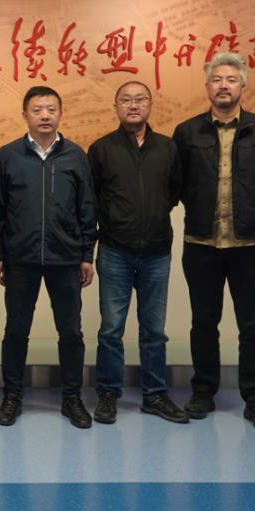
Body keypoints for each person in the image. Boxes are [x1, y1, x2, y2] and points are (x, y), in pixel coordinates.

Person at [173, 51, 255, 433]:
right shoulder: (187, 132)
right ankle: (203, 391)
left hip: (250, 246)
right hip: (201, 242)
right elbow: (178, 182)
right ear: (207, 86)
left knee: (253, 326)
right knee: (203, 323)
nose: (224, 86)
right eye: (217, 80)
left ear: (243, 85)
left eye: (231, 79)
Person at [0, 86, 97, 429]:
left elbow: (87, 208)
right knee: (15, 331)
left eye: (51, 109)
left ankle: (72, 399)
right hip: (20, 259)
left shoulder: (76, 156)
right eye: (37, 110)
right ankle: (12, 397)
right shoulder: (8, 155)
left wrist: (86, 254)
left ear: (60, 113)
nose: (45, 116)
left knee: (71, 333)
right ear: (25, 115)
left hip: (65, 259)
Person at [88, 81, 187, 425]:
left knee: (154, 330)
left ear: (150, 105)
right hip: (115, 250)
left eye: (140, 99)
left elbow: (174, 192)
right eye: (126, 100)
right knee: (111, 329)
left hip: (157, 252)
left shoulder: (167, 147)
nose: (133, 105)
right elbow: (93, 198)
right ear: (116, 107)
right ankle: (108, 394)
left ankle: (154, 395)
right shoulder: (101, 149)